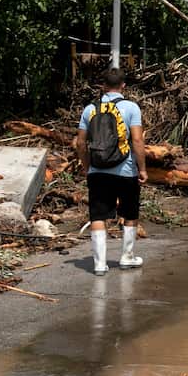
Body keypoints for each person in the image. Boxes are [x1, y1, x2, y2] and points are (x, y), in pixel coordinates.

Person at [76, 67, 148, 275]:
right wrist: (142, 168)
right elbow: (136, 139)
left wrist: (86, 166)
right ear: (123, 85)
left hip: (97, 171)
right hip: (125, 170)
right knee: (130, 212)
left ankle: (99, 264)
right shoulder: (131, 108)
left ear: (103, 86)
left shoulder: (90, 109)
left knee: (98, 215)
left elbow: (80, 142)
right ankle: (127, 257)